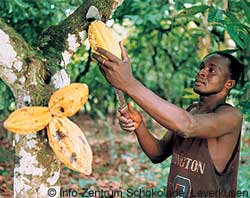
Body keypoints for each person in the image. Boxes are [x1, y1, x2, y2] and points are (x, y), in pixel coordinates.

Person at [92, 42, 244, 197]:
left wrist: (129, 83)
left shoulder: (231, 116)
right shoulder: (192, 110)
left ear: (229, 83)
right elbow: (158, 153)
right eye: (202, 67)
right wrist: (139, 125)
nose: (202, 72)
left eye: (211, 70)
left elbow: (188, 126)